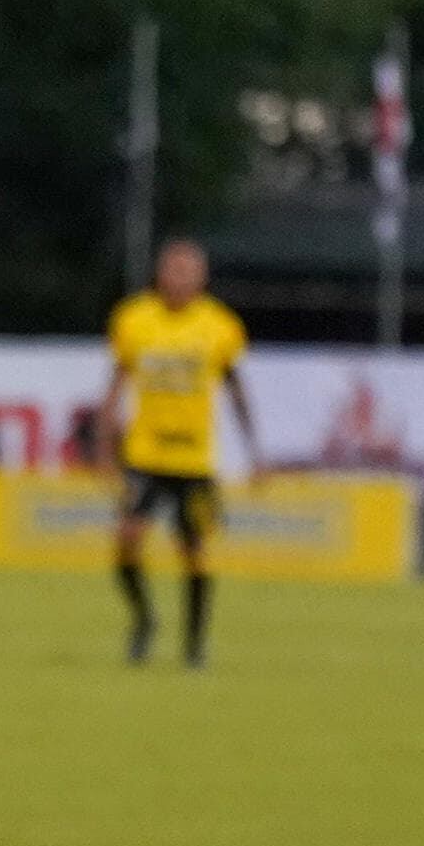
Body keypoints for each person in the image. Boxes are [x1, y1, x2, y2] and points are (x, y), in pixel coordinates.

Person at [104, 240, 257, 668]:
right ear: (159, 273)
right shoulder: (134, 319)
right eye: (173, 269)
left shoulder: (219, 326)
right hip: (144, 455)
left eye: (189, 270)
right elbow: (116, 385)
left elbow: (235, 388)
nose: (180, 277)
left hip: (194, 461)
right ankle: (144, 619)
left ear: (202, 278)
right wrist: (102, 443)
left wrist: (254, 450)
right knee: (127, 542)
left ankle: (194, 646)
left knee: (195, 552)